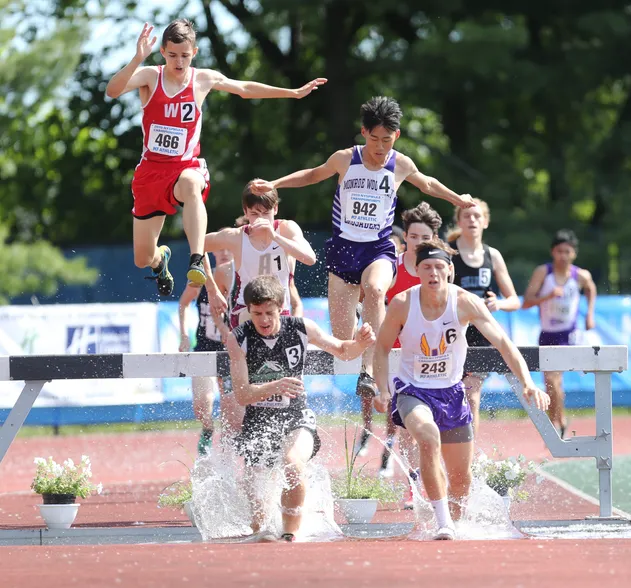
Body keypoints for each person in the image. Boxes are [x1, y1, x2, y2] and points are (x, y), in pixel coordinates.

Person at [250, 96, 474, 448]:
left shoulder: (400, 164)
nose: (381, 148)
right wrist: (275, 183)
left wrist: (457, 200)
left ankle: (369, 373)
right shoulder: (345, 159)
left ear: (396, 137)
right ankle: (360, 358)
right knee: (345, 342)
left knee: (375, 289)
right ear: (364, 133)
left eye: (388, 140)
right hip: (343, 248)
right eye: (375, 140)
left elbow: (428, 184)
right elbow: (312, 174)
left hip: (378, 248)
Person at [105, 19, 326, 299]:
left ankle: (196, 259)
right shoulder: (150, 76)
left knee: (191, 185)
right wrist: (138, 58)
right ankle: (161, 261)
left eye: (185, 55)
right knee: (142, 257)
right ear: (163, 51)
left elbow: (244, 88)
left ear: (194, 53)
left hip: (185, 166)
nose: (179, 62)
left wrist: (291, 93)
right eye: (172, 55)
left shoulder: (202, 79)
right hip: (150, 173)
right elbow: (113, 90)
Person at [373, 239, 550, 540]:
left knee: (461, 481)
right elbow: (381, 348)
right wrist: (382, 388)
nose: (433, 273)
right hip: (413, 389)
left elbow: (504, 344)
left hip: (452, 393)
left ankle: (454, 520)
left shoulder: (465, 302)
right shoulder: (403, 303)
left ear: (450, 270)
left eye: (439, 267)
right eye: (426, 267)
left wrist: (529, 382)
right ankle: (443, 523)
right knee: (428, 439)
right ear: (417, 270)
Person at [225, 275, 376, 542]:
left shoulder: (301, 329)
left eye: (269, 313)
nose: (263, 320)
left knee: (292, 464)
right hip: (258, 421)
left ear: (281, 309)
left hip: (296, 416)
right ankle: (264, 533)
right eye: (257, 313)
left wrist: (361, 343)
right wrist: (276, 385)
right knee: (259, 518)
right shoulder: (239, 338)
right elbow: (242, 394)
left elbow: (342, 350)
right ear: (248, 310)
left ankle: (290, 534)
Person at [201, 181, 317, 443]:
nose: (260, 219)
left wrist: (275, 236)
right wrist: (211, 288)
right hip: (247, 311)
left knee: (287, 342)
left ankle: (291, 414)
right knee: (253, 325)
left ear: (275, 210)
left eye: (265, 213)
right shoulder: (236, 236)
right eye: (254, 214)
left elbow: (310, 258)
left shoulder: (286, 228)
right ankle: (244, 397)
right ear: (245, 212)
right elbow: (196, 245)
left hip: (281, 313)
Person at [377, 203, 442, 482]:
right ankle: (414, 482)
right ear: (405, 237)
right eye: (413, 237)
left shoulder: (440, 268)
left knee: (430, 424)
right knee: (406, 425)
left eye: (424, 238)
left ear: (433, 240)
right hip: (396, 354)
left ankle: (429, 476)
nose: (418, 243)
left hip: (432, 356)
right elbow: (375, 298)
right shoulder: (392, 265)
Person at [445, 199, 521, 437]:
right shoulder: (448, 253)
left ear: (485, 222)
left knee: (471, 395)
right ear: (459, 221)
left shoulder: (493, 256)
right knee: (447, 398)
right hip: (450, 334)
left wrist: (497, 303)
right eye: (466, 216)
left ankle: (470, 458)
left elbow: (515, 300)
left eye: (477, 216)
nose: (472, 220)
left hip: (481, 336)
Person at [522, 229, 597, 437]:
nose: (563, 256)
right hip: (548, 334)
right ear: (552, 252)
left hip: (569, 334)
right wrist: (547, 296)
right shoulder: (543, 273)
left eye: (567, 251)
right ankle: (560, 420)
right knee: (551, 383)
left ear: (574, 254)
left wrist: (589, 315)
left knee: (555, 380)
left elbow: (591, 289)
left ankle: (555, 425)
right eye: (559, 251)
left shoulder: (580, 275)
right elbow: (526, 302)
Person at [178, 249, 237, 454]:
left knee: (232, 406)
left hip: (233, 352)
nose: (224, 252)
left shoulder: (243, 279)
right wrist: (184, 335)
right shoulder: (202, 278)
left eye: (227, 247)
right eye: (219, 248)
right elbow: (184, 303)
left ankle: (228, 446)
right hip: (204, 348)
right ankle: (207, 428)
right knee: (202, 405)